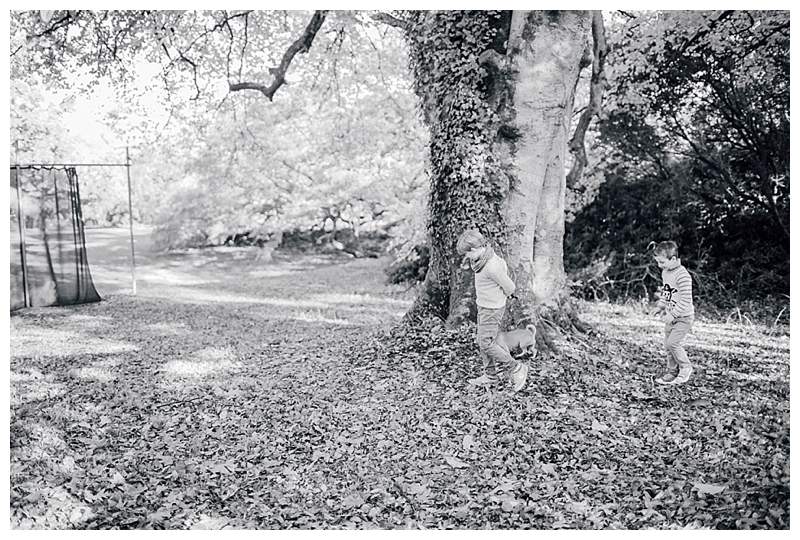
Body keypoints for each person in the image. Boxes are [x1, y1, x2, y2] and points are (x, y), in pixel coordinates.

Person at [456, 228, 528, 392]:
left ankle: (516, 367)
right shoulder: (483, 260)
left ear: (474, 249)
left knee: (486, 343)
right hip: (484, 306)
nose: (467, 258)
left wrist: (505, 295)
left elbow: (510, 286)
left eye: (467, 254)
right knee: (484, 341)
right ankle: (491, 376)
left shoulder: (491, 266)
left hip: (492, 309)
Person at [651, 240, 695, 385]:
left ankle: (685, 368)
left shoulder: (683, 275)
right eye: (658, 262)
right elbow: (667, 292)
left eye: (662, 262)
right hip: (671, 316)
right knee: (667, 345)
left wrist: (673, 315)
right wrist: (661, 306)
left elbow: (686, 299)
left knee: (673, 343)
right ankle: (671, 372)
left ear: (674, 259)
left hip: (684, 317)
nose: (659, 266)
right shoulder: (666, 272)